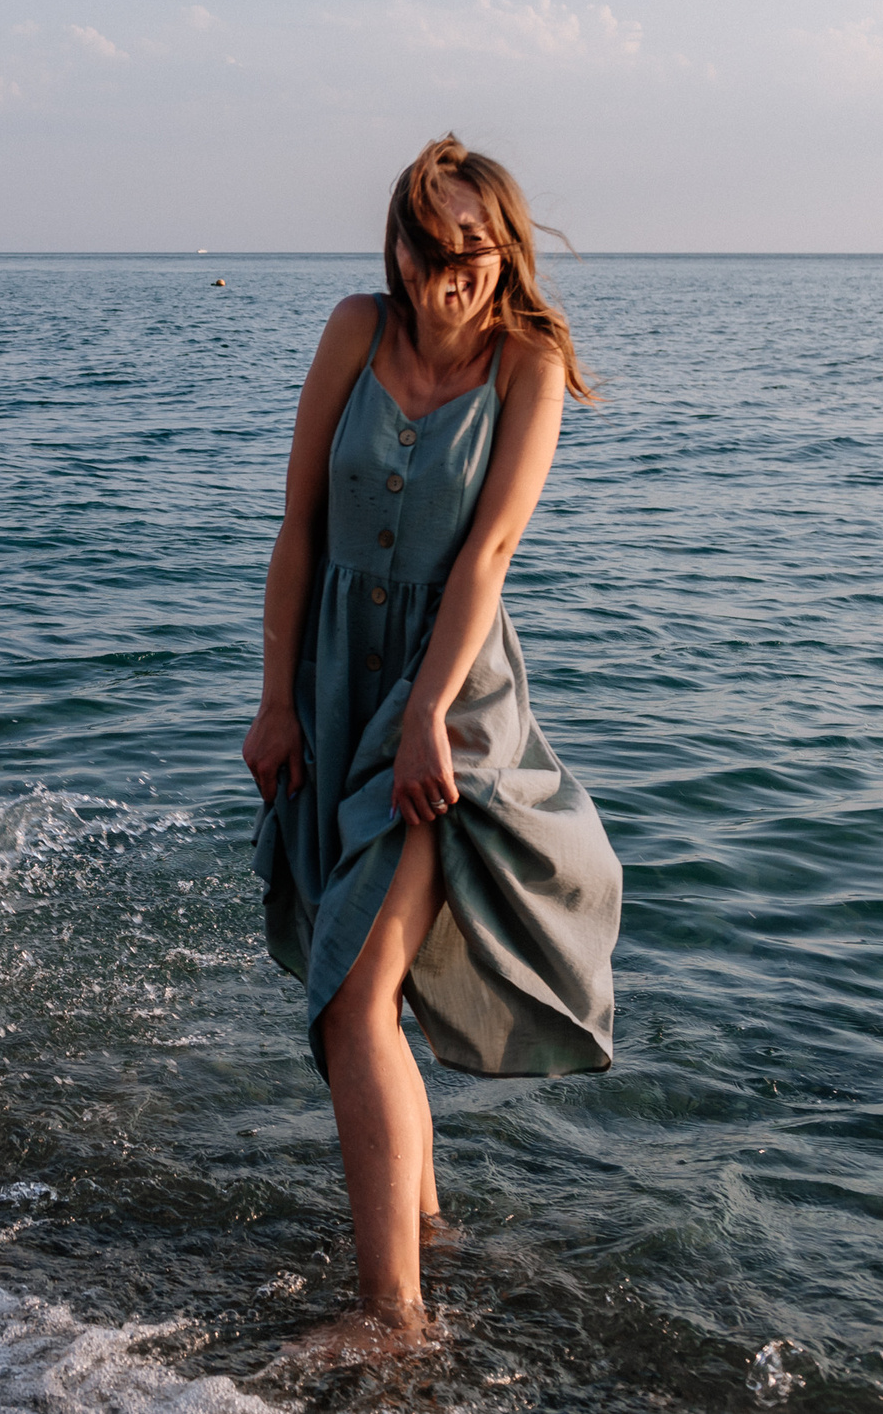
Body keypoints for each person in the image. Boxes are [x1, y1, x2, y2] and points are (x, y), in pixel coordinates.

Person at [242, 135, 622, 1350]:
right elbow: (298, 523)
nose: (446, 267)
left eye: (471, 243)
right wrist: (275, 698)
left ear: (503, 247)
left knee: (351, 1003)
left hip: (446, 698)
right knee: (374, 986)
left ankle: (393, 1313)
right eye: (426, 239)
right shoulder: (354, 327)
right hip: (331, 687)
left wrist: (420, 721)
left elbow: (489, 556)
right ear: (396, 240)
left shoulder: (529, 363)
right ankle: (430, 1228)